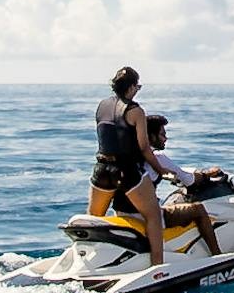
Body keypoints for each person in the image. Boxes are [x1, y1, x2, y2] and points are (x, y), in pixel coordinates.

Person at [89, 66, 220, 257]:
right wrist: (161, 170)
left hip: (101, 169)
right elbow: (143, 147)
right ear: (132, 87)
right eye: (138, 87)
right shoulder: (135, 110)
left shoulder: (102, 106)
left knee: (93, 218)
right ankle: (158, 266)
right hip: (125, 170)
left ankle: (87, 256)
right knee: (153, 217)